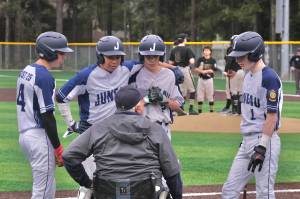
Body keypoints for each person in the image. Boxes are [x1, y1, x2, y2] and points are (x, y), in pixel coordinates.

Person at [56, 35, 142, 197]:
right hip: (92, 134)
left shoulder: (126, 69)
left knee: (117, 181)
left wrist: (172, 68)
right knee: (92, 183)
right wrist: (72, 123)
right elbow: (61, 96)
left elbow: (149, 62)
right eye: (110, 57)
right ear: (100, 56)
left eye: (118, 57)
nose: (114, 61)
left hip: (117, 134)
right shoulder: (86, 75)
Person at [62, 85, 183, 199]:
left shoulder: (98, 128)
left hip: (106, 191)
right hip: (146, 191)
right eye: (142, 101)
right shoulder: (155, 130)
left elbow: (69, 156)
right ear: (137, 107)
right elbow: (172, 171)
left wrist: (87, 183)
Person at [222, 31, 282, 199]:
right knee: (229, 191)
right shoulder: (248, 75)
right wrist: (246, 139)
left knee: (264, 193)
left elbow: (272, 116)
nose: (238, 60)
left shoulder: (269, 78)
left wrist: (262, 146)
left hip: (265, 143)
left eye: (242, 56)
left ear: (255, 53)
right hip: (247, 142)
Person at [16, 31, 73, 199]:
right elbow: (47, 117)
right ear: (50, 52)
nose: (64, 57)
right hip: (39, 137)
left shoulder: (26, 70)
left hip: (26, 136)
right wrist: (58, 148)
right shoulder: (44, 77)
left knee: (48, 186)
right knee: (41, 191)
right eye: (61, 53)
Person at [131, 34, 185, 139]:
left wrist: (163, 99)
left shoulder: (170, 75)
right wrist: (144, 100)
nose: (152, 60)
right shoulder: (134, 74)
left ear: (161, 56)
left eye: (155, 56)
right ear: (142, 56)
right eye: (148, 57)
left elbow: (179, 109)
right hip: (140, 129)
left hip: (163, 129)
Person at [169, 33, 198, 115]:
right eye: (186, 38)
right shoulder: (187, 49)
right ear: (184, 39)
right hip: (185, 69)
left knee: (182, 91)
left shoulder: (174, 50)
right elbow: (192, 60)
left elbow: (170, 62)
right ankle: (191, 109)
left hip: (177, 70)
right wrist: (191, 64)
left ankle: (181, 109)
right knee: (192, 90)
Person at [221, 35, 245, 115]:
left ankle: (234, 110)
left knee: (233, 91)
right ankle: (240, 110)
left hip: (234, 72)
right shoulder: (242, 49)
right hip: (242, 71)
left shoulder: (231, 49)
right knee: (240, 91)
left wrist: (225, 70)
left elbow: (229, 60)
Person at [193, 46, 217, 113]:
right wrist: (201, 71)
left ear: (210, 52)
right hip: (201, 79)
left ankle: (211, 110)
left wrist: (205, 71)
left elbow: (214, 70)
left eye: (208, 50)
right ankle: (200, 110)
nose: (206, 52)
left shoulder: (213, 60)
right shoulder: (200, 59)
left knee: (210, 94)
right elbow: (195, 68)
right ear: (203, 52)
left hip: (209, 79)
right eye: (205, 50)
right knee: (200, 95)